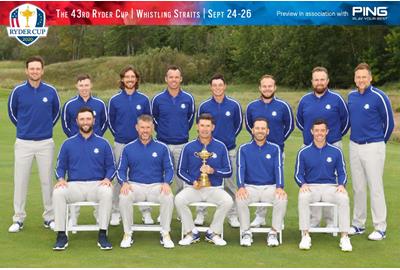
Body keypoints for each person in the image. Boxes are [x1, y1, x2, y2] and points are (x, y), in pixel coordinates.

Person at [7, 55, 61, 233]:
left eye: (38, 68)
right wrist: (25, 129)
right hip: (23, 142)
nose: (35, 71)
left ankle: (49, 217)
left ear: (42, 71)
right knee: (20, 181)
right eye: (32, 68)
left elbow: (55, 114)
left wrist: (43, 130)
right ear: (26, 70)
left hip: (45, 142)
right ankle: (18, 218)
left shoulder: (51, 91)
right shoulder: (18, 91)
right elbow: (12, 113)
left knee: (47, 181)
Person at [52, 107, 115, 250]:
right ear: (77, 121)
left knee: (107, 191)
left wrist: (107, 179)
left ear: (93, 121)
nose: (85, 122)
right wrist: (61, 178)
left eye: (88, 119)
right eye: (82, 119)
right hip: (74, 185)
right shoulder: (68, 144)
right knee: (58, 192)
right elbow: (60, 166)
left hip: (96, 185)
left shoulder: (103, 143)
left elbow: (111, 167)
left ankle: (103, 234)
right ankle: (61, 235)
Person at [296, 66, 349, 228]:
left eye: (322, 79)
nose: (319, 82)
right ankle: (312, 220)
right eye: (316, 79)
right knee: (312, 182)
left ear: (327, 81)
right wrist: (312, 136)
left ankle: (331, 222)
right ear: (312, 81)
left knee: (331, 184)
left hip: (333, 145)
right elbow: (300, 121)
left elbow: (345, 121)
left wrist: (332, 138)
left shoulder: (336, 99)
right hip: (310, 145)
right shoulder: (305, 100)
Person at [348, 63, 394, 240]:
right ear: (355, 79)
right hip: (354, 145)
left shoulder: (378, 96)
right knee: (358, 187)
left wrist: (379, 140)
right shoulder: (351, 96)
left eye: (364, 77)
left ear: (370, 78)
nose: (361, 80)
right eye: (358, 77)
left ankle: (380, 227)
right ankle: (358, 224)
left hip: (373, 146)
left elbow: (389, 123)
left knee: (375, 187)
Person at [117, 115, 175, 249]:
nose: (145, 130)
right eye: (142, 127)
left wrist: (166, 183)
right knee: (124, 196)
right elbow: (121, 169)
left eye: (148, 127)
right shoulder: (128, 148)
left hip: (156, 186)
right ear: (137, 128)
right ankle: (127, 233)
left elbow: (169, 169)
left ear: (153, 128)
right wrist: (124, 182)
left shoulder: (162, 147)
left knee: (168, 196)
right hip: (135, 186)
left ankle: (165, 233)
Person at [175, 113, 233, 246]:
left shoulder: (221, 146)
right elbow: (180, 171)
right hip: (194, 188)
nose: (205, 129)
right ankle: (191, 232)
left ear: (213, 127)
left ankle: (213, 232)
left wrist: (213, 171)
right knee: (179, 199)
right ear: (197, 127)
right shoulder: (189, 147)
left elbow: (228, 171)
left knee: (228, 201)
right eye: (202, 125)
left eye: (208, 126)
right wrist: (192, 181)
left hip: (214, 188)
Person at [295, 119, 352, 252]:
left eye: (322, 130)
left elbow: (342, 172)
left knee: (344, 198)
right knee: (303, 197)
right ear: (311, 132)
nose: (319, 133)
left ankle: (344, 236)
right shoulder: (304, 152)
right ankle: (305, 235)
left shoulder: (336, 151)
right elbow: (298, 173)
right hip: (311, 187)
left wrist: (342, 185)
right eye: (316, 130)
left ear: (327, 132)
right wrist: (302, 184)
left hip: (330, 188)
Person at [245, 74, 294, 228]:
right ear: (260, 88)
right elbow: (248, 126)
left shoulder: (283, 106)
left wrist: (278, 142)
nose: (267, 89)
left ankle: (279, 218)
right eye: (264, 86)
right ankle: (260, 217)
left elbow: (290, 126)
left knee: (277, 183)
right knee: (260, 182)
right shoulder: (252, 106)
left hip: (277, 152)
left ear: (275, 87)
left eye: (270, 86)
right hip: (257, 152)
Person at [195, 73, 243, 228]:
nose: (217, 88)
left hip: (229, 150)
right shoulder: (204, 106)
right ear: (211, 87)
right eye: (214, 85)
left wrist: (225, 140)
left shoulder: (234, 105)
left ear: (225, 86)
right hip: (207, 149)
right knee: (204, 181)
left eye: (220, 85)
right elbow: (200, 126)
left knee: (230, 184)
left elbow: (238, 126)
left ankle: (232, 214)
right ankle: (201, 213)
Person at [61, 74, 108, 226]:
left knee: (97, 177)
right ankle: (73, 217)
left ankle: (99, 215)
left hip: (96, 146)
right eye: (81, 85)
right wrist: (75, 140)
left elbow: (105, 123)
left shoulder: (100, 104)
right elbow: (65, 124)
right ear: (77, 86)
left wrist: (96, 139)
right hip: (75, 146)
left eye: (86, 85)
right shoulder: (69, 104)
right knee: (75, 178)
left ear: (91, 85)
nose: (84, 88)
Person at [108, 65, 151, 226]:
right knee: (120, 178)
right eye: (127, 77)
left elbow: (148, 122)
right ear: (122, 79)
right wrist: (119, 135)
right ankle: (116, 211)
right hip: (121, 143)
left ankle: (145, 211)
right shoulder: (114, 100)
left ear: (136, 79)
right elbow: (111, 122)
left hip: (141, 145)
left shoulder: (144, 99)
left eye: (133, 77)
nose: (130, 79)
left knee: (142, 176)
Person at [151, 65, 195, 219]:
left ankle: (180, 212)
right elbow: (154, 119)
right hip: (162, 145)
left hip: (182, 144)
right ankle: (162, 213)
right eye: (171, 77)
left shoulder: (188, 98)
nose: (174, 80)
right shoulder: (158, 99)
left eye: (177, 77)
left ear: (181, 79)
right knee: (161, 180)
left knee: (182, 180)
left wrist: (180, 131)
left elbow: (189, 120)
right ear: (166, 79)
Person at [236, 118, 287, 247]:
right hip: (250, 187)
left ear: (267, 131)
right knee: (240, 198)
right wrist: (241, 187)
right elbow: (241, 168)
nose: (260, 131)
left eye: (263, 128)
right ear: (252, 130)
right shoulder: (244, 148)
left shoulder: (275, 148)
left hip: (269, 187)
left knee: (282, 199)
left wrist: (280, 187)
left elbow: (279, 169)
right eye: (257, 128)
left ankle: (274, 232)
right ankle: (246, 232)